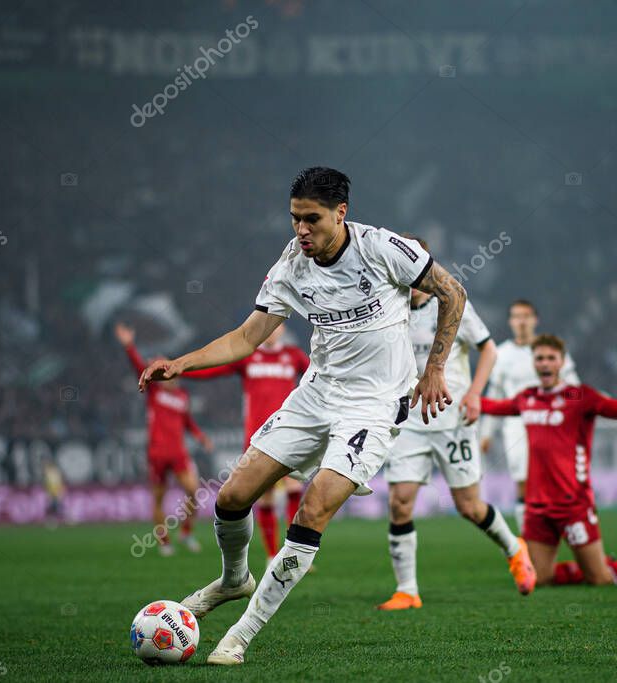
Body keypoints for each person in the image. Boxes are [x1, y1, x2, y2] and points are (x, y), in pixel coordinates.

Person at [138, 167, 466, 665]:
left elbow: (452, 292)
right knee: (231, 496)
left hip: (373, 407)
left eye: (312, 219)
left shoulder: (382, 248)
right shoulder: (293, 263)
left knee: (312, 509)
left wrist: (435, 368)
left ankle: (240, 636)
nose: (301, 229)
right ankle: (233, 580)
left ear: (341, 213)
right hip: (315, 395)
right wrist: (181, 363)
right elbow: (246, 337)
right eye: (295, 218)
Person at [376, 235, 534, 611]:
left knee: (469, 507)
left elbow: (489, 349)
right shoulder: (387, 308)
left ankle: (514, 549)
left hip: (452, 420)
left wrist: (475, 394)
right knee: (400, 503)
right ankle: (407, 590)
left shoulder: (449, 302)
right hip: (409, 422)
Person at [479, 334, 617, 587]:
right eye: (539, 358)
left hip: (573, 504)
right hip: (537, 506)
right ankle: (591, 565)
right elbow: (492, 406)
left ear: (562, 362)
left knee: (600, 579)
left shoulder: (578, 396)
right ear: (533, 363)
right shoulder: (527, 398)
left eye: (551, 358)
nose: (545, 363)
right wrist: (463, 397)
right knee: (540, 577)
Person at [184, 322, 310, 561]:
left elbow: (319, 377)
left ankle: (291, 552)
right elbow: (213, 369)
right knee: (266, 496)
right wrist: (180, 369)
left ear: (283, 329)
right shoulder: (248, 356)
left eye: (277, 326)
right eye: (269, 326)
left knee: (294, 488)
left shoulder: (294, 356)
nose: (273, 330)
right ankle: (272, 555)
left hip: (290, 434)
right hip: (259, 439)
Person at [479, 300, 580, 533]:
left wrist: (578, 408)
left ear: (535, 319)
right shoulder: (501, 354)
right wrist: (486, 432)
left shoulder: (550, 351)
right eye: (517, 316)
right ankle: (528, 538)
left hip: (552, 424)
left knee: (556, 482)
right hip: (517, 427)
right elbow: (495, 394)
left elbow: (574, 387)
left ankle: (567, 534)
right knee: (524, 483)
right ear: (510, 321)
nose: (522, 321)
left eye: (526, 316)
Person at [116, 323, 213, 556]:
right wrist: (129, 346)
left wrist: (200, 436)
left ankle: (186, 533)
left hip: (178, 453)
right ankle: (164, 541)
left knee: (193, 491)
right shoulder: (155, 390)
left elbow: (187, 421)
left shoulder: (182, 395)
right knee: (159, 499)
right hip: (158, 453)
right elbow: (138, 368)